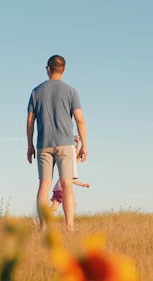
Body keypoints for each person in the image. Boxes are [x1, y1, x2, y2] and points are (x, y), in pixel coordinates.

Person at [27, 55, 88, 231]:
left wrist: (30, 145)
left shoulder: (36, 91)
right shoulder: (71, 91)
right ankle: (70, 226)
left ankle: (43, 227)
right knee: (67, 184)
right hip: (65, 144)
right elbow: (80, 120)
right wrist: (84, 144)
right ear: (64, 69)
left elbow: (30, 121)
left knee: (44, 184)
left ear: (48, 69)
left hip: (43, 144)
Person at [50, 135, 90, 212]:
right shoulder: (70, 163)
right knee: (69, 204)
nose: (80, 158)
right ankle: (70, 222)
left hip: (61, 186)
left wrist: (78, 143)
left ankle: (41, 217)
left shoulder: (73, 165)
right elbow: (76, 153)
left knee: (70, 204)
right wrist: (78, 143)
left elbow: (77, 154)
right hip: (61, 187)